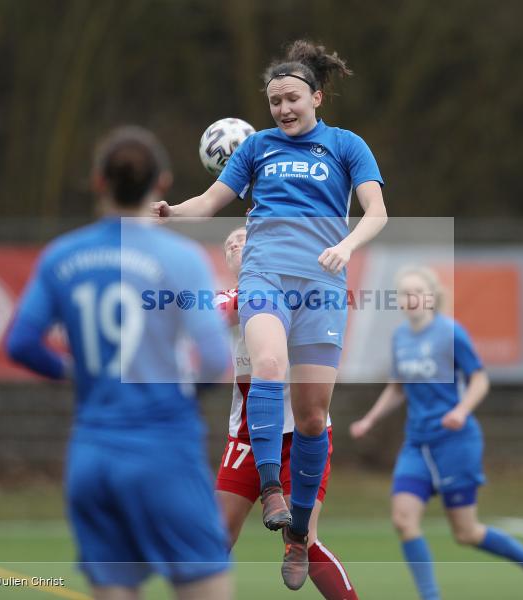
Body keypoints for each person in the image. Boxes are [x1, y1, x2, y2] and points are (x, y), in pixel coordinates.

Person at [152, 40, 387, 590]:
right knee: (268, 366)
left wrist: (347, 246)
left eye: (292, 99)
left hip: (323, 285)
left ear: (317, 97)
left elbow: (376, 211)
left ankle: (299, 536)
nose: (283, 108)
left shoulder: (346, 145)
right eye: (275, 101)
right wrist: (171, 212)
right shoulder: (257, 147)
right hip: (265, 276)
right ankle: (271, 489)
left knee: (312, 417)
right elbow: (210, 201)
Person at [6, 126, 233, 600]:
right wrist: (184, 397)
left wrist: (72, 373)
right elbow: (215, 357)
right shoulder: (181, 258)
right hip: (163, 451)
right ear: (162, 183)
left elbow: (21, 343)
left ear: (98, 182)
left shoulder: (62, 256)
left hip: (91, 456)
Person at [349, 266, 523, 600]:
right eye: (404, 293)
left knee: (466, 532)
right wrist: (369, 419)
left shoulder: (450, 333)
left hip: (455, 443)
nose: (411, 299)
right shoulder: (400, 337)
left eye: (417, 292)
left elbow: (480, 380)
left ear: (431, 297)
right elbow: (397, 387)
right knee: (403, 520)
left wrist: (461, 410)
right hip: (417, 444)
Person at [214, 226, 358, 600]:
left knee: (305, 542)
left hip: (302, 437)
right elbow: (217, 314)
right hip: (247, 438)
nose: (235, 242)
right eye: (229, 243)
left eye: (243, 237)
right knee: (214, 538)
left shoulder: (301, 286)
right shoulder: (231, 297)